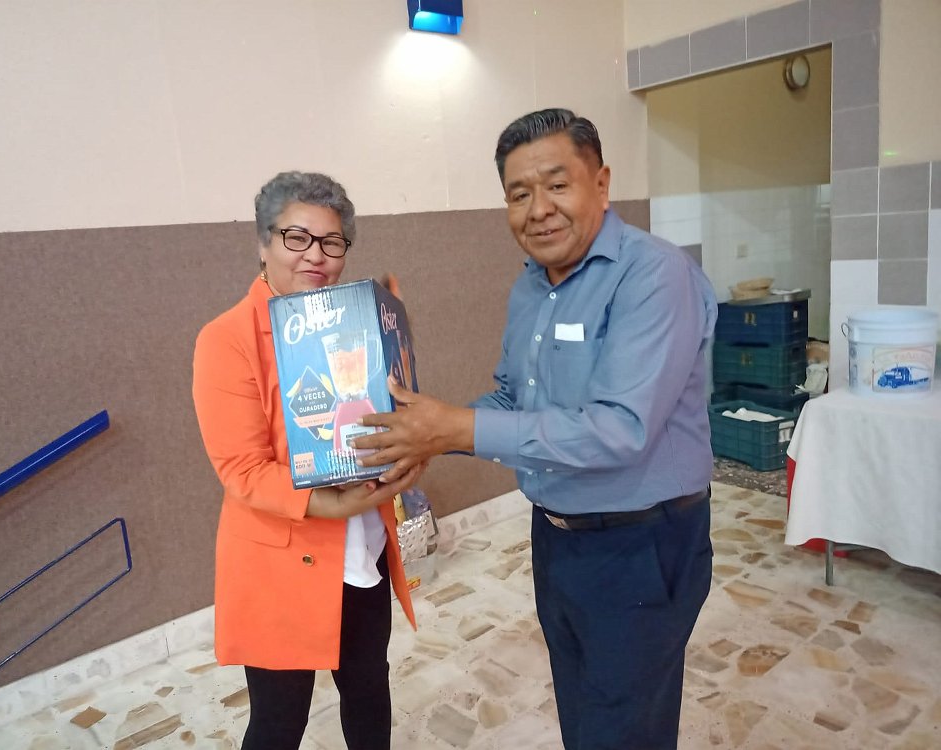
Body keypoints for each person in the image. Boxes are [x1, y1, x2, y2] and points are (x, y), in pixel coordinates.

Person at [352, 109, 718, 749]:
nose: (539, 209)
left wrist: (455, 430)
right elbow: (511, 396)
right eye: (519, 194)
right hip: (557, 537)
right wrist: (421, 434)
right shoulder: (531, 289)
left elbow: (619, 430)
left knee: (626, 728)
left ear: (601, 184)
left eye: (557, 184)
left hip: (642, 544)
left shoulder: (654, 275)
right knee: (583, 713)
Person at [191, 171, 423, 750]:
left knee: (369, 691)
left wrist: (407, 449)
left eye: (332, 241)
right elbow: (242, 470)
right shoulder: (227, 338)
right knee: (279, 721)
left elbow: (382, 419)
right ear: (263, 243)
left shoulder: (360, 323)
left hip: (363, 545)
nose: (315, 255)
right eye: (297, 237)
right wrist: (332, 503)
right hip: (280, 562)